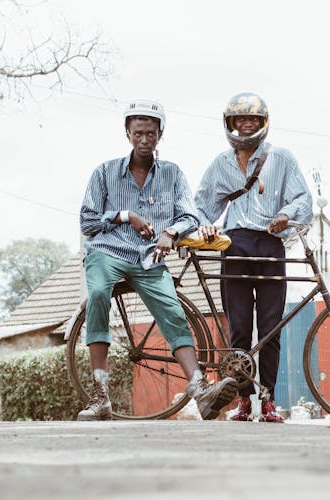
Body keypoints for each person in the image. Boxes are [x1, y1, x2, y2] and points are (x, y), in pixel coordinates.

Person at [77, 98, 238, 421]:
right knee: (96, 294)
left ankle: (199, 387)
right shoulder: (105, 173)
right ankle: (100, 395)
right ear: (127, 134)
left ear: (160, 134)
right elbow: (88, 222)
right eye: (138, 133)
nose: (145, 140)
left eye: (151, 133)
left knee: (173, 310)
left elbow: (189, 215)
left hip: (150, 259)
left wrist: (171, 233)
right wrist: (126, 215)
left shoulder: (173, 174)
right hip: (108, 251)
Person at [195, 93, 313, 422]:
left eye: (253, 120)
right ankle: (244, 401)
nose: (246, 124)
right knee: (239, 329)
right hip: (235, 244)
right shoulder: (221, 163)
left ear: (263, 124)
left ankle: (269, 400)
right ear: (230, 124)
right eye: (239, 119)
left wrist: (286, 216)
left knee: (271, 329)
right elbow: (202, 204)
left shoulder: (282, 158)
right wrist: (203, 226)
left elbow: (302, 197)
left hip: (270, 244)